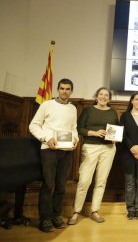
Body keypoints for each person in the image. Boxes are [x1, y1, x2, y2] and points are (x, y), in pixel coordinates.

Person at [29, 78, 79, 232]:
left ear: (71, 91)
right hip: (49, 149)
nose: (65, 91)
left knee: (61, 186)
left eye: (68, 89)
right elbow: (33, 125)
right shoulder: (47, 105)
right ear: (57, 90)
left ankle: (56, 216)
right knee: (48, 185)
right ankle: (45, 219)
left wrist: (76, 138)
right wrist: (46, 138)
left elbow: (73, 128)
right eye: (62, 88)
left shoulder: (73, 108)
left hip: (66, 151)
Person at [68, 87, 119, 225]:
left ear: (109, 98)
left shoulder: (113, 112)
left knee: (101, 182)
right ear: (96, 97)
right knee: (84, 181)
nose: (103, 97)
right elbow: (79, 128)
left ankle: (95, 211)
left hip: (108, 149)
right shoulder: (88, 110)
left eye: (106, 95)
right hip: (90, 147)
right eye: (101, 94)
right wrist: (94, 133)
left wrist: (115, 137)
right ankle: (76, 212)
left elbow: (116, 130)